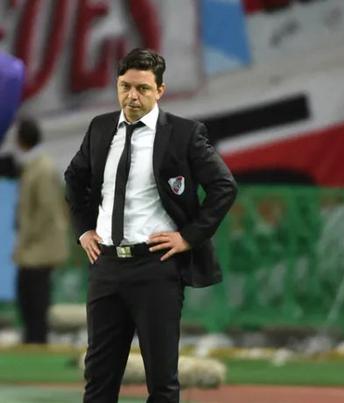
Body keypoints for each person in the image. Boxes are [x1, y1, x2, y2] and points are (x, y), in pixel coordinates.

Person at [64, 48, 237, 402]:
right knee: (98, 378)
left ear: (160, 90)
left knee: (162, 381)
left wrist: (189, 237)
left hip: (155, 267)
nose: (132, 96)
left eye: (142, 88)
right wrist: (83, 230)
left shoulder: (184, 134)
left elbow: (224, 187)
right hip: (106, 265)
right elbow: (73, 177)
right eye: (125, 86)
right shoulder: (100, 128)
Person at [12, 118, 68, 344]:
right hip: (35, 245)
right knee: (29, 296)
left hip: (40, 247)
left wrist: (25, 239)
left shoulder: (41, 168)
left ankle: (36, 343)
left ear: (21, 140)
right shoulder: (34, 165)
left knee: (34, 298)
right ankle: (32, 340)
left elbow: (45, 211)